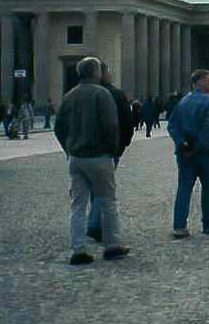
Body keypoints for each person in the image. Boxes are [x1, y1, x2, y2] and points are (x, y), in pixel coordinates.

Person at [54, 56, 129, 265]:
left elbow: (58, 127)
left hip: (76, 157)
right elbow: (111, 125)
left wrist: (68, 149)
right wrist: (111, 149)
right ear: (96, 72)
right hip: (99, 156)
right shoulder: (102, 94)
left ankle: (78, 248)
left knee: (78, 205)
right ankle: (112, 244)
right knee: (107, 201)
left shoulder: (69, 96)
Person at [168, 69, 209, 238]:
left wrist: (182, 143)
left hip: (184, 153)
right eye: (207, 80)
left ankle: (179, 225)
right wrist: (197, 147)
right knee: (208, 189)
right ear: (198, 82)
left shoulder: (183, 101)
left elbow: (172, 126)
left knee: (184, 188)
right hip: (205, 153)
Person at [86, 63, 136, 243]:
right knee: (104, 189)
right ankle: (95, 224)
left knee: (90, 189)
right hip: (108, 149)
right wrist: (122, 144)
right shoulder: (114, 94)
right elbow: (125, 121)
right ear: (101, 73)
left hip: (83, 150)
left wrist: (70, 147)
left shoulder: (75, 93)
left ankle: (94, 219)